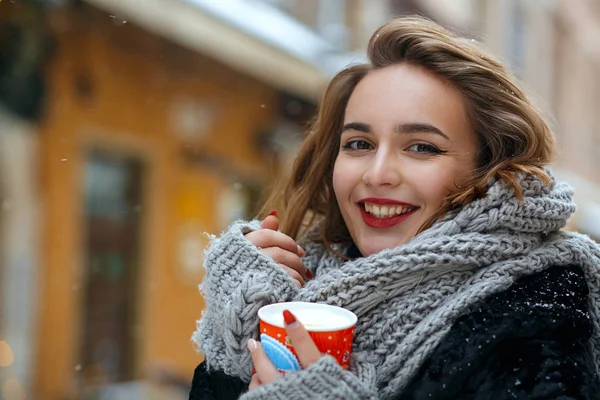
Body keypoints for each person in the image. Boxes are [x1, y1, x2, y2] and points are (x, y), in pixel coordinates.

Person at [189, 16, 600, 400]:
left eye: (422, 147)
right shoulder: (306, 281)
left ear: (488, 168)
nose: (377, 173)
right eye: (359, 144)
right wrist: (238, 335)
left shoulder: (536, 309)